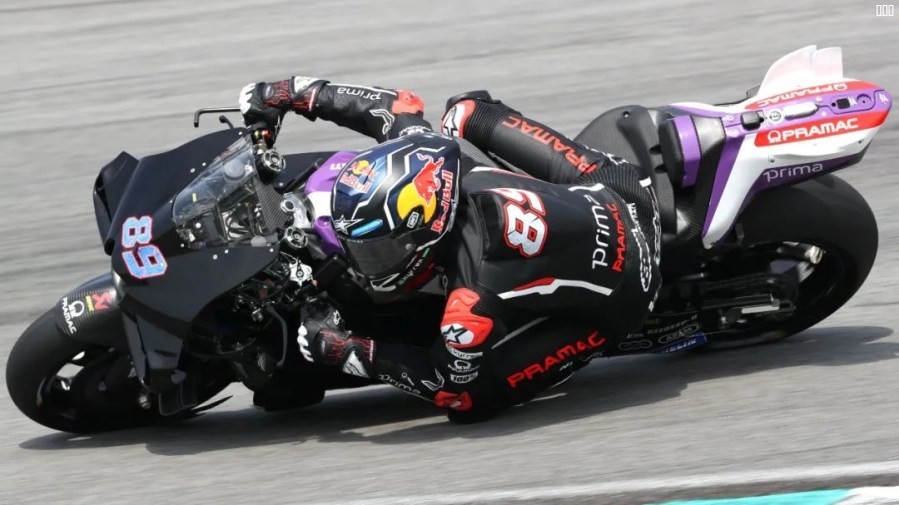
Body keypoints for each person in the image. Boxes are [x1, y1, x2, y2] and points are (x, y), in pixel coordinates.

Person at [239, 76, 661, 422]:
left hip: (628, 289)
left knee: (473, 401)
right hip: (616, 185)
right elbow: (395, 104)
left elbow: (449, 386)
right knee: (465, 112)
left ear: (428, 233)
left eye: (378, 250)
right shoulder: (426, 156)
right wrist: (288, 93)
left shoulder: (469, 304)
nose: (365, 263)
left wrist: (349, 351)